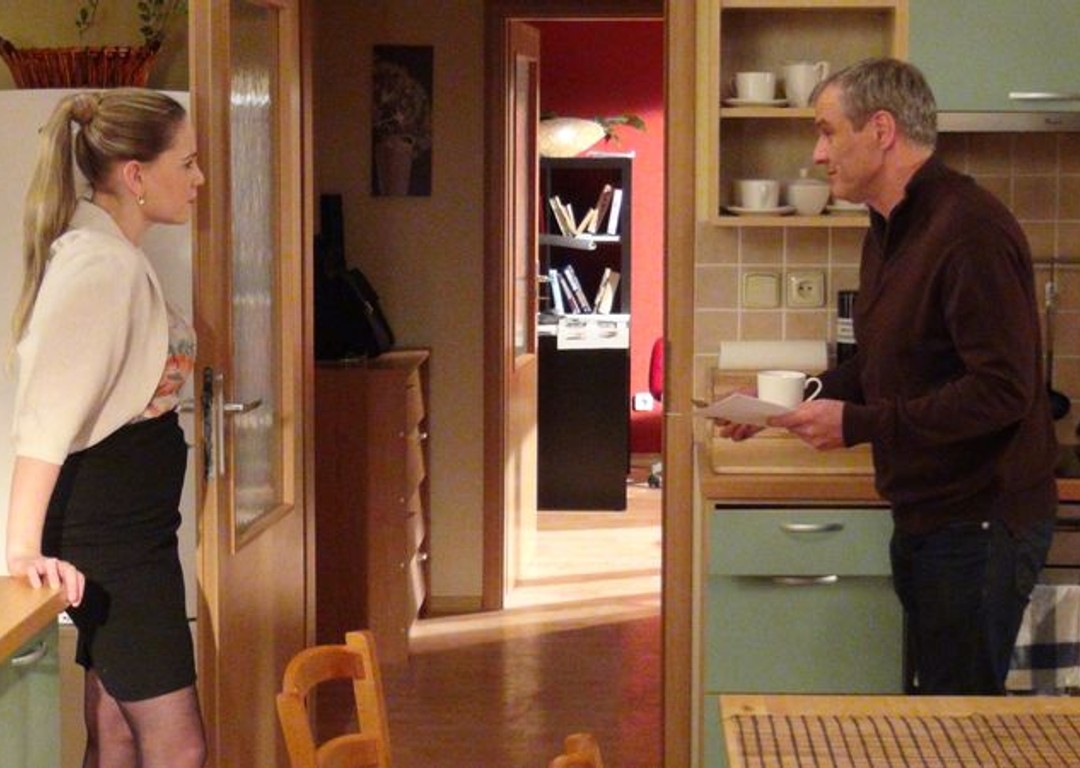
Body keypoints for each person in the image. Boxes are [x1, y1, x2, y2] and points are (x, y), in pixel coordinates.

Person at [723, 58, 1058, 696]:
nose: (818, 155)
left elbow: (1004, 391)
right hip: (929, 515)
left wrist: (858, 424)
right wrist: (781, 403)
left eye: (827, 132)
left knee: (957, 720)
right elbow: (882, 362)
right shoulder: (887, 229)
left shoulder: (969, 230)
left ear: (880, 130)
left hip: (980, 521)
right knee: (933, 710)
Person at [4, 89, 206, 766]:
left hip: (129, 530)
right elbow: (45, 415)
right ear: (136, 175)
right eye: (187, 162)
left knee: (117, 729)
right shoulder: (101, 265)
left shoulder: (111, 254)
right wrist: (21, 550)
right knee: (179, 746)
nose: (199, 178)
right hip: (117, 541)